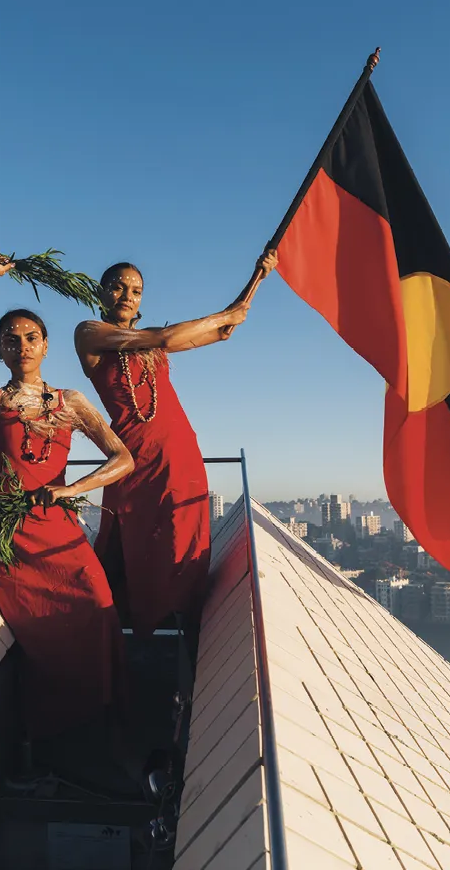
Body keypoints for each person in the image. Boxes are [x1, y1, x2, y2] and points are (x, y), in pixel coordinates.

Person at [0, 257, 136, 753]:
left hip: (58, 531)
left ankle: (99, 728)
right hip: (8, 538)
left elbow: (123, 459)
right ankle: (49, 739)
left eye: (31, 337)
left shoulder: (71, 402)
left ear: (45, 344)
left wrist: (68, 491)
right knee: (37, 638)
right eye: (11, 339)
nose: (22, 346)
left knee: (100, 609)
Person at [75, 249, 279, 645]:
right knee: (133, 538)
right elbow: (169, 335)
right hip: (134, 454)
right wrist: (227, 314)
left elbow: (222, 332)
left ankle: (183, 628)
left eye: (135, 290)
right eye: (117, 287)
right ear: (101, 292)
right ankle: (134, 638)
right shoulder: (90, 332)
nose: (127, 296)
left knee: (181, 535)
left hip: (179, 447)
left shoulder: (151, 345)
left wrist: (257, 278)